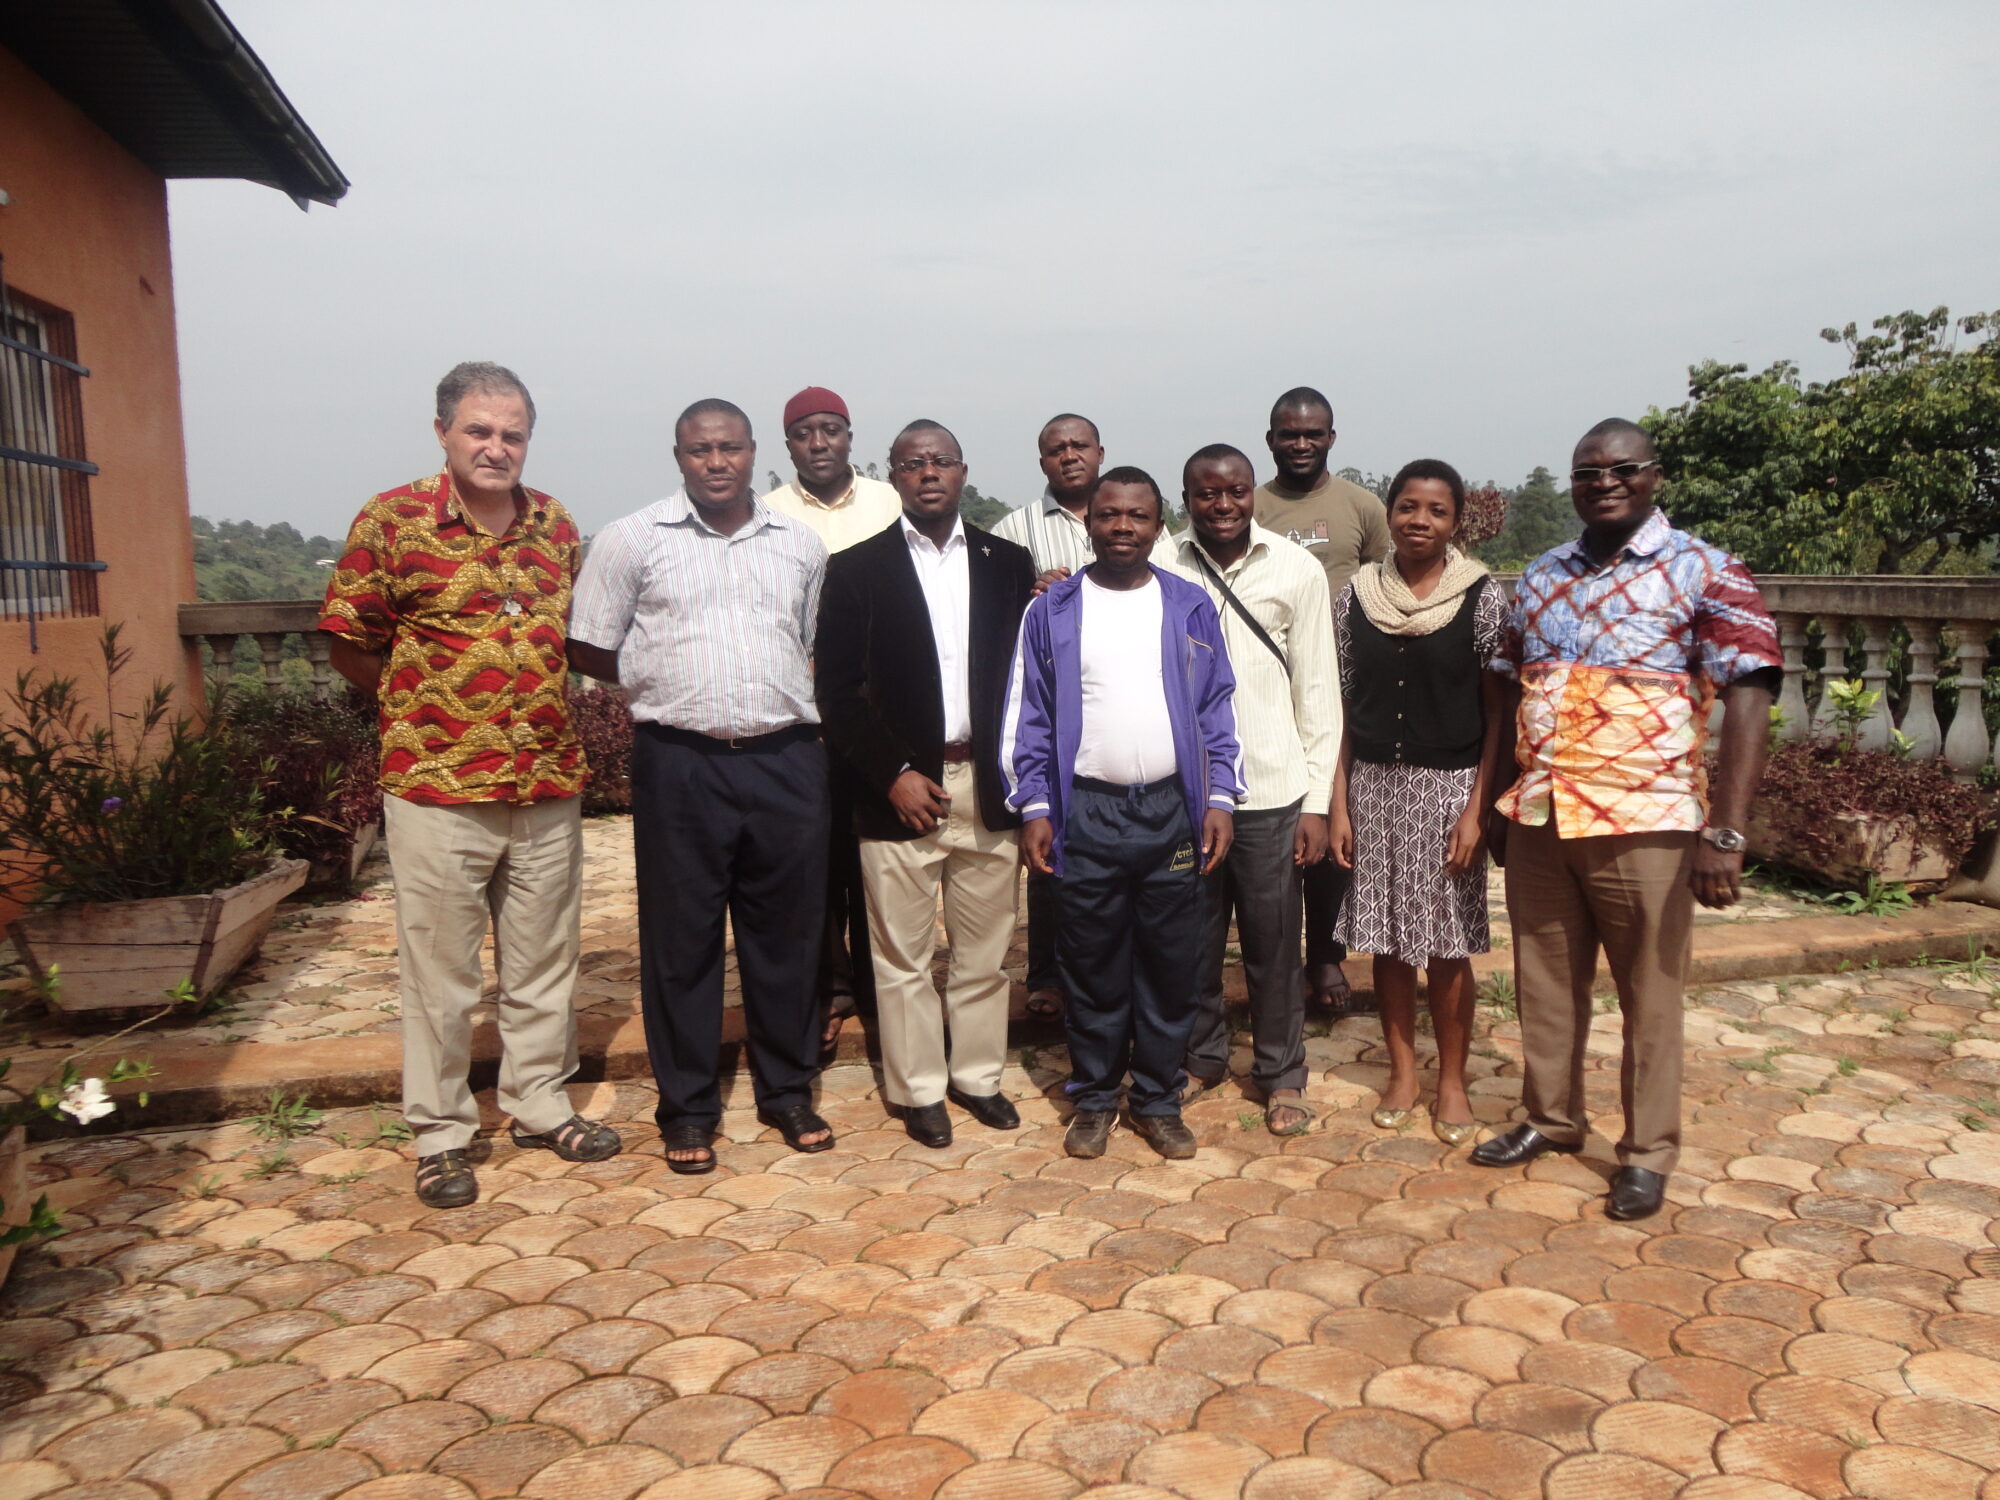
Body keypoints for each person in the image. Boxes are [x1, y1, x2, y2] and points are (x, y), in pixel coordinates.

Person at [320, 361, 619, 1209]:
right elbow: (349, 642)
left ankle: (537, 1103)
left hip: (545, 782)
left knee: (543, 963)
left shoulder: (555, 525)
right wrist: (427, 712)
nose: (497, 447)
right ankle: (443, 1133)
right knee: (441, 976)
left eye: (512, 433)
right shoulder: (393, 521)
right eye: (480, 431)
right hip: (437, 788)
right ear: (444, 431)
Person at [1471, 419, 1781, 1222]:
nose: (1603, 482)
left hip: (1648, 818)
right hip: (1545, 810)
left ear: (1655, 476)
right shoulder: (1541, 575)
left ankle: (1646, 1153)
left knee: (1650, 988)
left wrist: (1727, 832)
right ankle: (1552, 1117)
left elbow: (1749, 695)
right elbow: (1510, 688)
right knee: (1543, 979)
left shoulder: (1706, 571)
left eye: (1621, 469)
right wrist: (1501, 801)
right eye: (1586, 472)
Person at [567, 399, 835, 1174]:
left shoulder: (800, 545)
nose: (715, 462)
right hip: (679, 762)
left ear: (753, 454)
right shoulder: (632, 540)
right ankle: (687, 1108)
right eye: (698, 450)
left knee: (785, 940)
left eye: (728, 449)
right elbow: (588, 644)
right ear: (678, 457)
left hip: (785, 760)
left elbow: (813, 642)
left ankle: (787, 1091)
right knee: (681, 944)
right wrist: (660, 675)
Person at [1004, 466, 1245, 1161]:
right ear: (1088, 522)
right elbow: (1032, 716)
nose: (1121, 528)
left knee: (1171, 964)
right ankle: (1096, 1097)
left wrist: (1221, 796)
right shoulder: (1051, 611)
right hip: (1089, 814)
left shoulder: (1188, 605)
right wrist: (1037, 806)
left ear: (1156, 524)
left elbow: (1216, 708)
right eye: (1109, 515)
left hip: (1170, 812)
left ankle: (1158, 1098)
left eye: (1137, 516)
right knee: (1094, 961)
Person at [817, 421, 1037, 1147]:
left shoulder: (1007, 562)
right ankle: (917, 1090)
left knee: (983, 950)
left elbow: (1028, 679)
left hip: (986, 785)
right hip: (902, 792)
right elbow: (840, 694)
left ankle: (977, 1077)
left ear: (963, 470)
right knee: (904, 955)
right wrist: (893, 774)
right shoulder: (856, 570)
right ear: (896, 476)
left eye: (940, 461)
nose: (928, 473)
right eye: (913, 464)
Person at [1328, 459, 1509, 1150]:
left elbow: (1499, 711)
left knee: (1448, 943)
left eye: (1435, 510)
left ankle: (1453, 1081)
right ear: (1390, 513)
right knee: (1387, 939)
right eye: (1407, 507)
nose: (1419, 521)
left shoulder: (1482, 597)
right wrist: (1339, 803)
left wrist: (1478, 810)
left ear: (1456, 521)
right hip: (1373, 785)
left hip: (1450, 791)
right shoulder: (1357, 596)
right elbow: (1344, 702)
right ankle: (1403, 1072)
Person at [1162, 445, 1338, 1136]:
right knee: (1195, 940)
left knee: (1272, 943)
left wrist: (1318, 802)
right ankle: (1202, 1057)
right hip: (1188, 793)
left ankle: (1281, 1071)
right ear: (1188, 499)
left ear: (1252, 494)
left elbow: (1318, 691)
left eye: (1235, 491)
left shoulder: (1295, 569)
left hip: (1270, 790)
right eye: (1207, 494)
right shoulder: (1163, 565)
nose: (1224, 505)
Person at [761, 387, 901, 1059]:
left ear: (850, 437)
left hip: (883, 712)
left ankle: (881, 991)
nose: (818, 443)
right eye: (804, 434)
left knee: (876, 852)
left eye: (831, 430)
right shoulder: (769, 516)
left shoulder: (888, 503)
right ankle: (831, 985)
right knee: (814, 856)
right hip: (809, 714)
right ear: (788, 445)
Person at [1254, 387, 1391, 1017]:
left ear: (1332, 437)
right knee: (1287, 826)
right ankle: (1275, 954)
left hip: (1346, 686)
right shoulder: (1247, 505)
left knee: (1337, 824)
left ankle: (1327, 952)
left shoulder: (1362, 507)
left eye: (1313, 434)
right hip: (1269, 690)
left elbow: (1390, 587)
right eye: (1289, 434)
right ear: (1271, 439)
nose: (1300, 444)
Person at [991, 413, 1105, 1021]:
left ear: (1100, 452)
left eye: (1079, 446)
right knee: (1050, 849)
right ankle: (1047, 973)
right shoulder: (1016, 530)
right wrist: (1030, 593)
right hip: (1052, 710)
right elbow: (999, 617)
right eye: (1056, 449)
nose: (1069, 457)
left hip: (1115, 707)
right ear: (1042, 462)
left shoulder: (1132, 514)